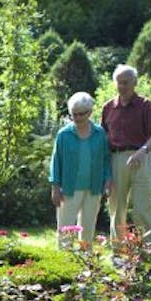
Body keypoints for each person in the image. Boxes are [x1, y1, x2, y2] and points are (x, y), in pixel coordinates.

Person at [100, 64, 151, 241]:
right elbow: (103, 138)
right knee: (117, 209)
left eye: (126, 82)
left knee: (143, 208)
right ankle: (118, 252)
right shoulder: (108, 108)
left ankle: (146, 252)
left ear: (135, 83)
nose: (122, 86)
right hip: (116, 159)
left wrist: (142, 151)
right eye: (119, 82)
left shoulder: (145, 105)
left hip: (141, 157)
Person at [48, 91, 112, 250]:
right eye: (73, 114)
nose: (76, 118)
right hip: (69, 188)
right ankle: (64, 260)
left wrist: (108, 180)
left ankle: (86, 262)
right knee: (65, 228)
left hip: (93, 187)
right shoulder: (64, 134)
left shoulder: (99, 133)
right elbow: (56, 162)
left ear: (90, 112)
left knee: (88, 228)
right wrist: (55, 187)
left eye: (80, 114)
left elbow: (106, 159)